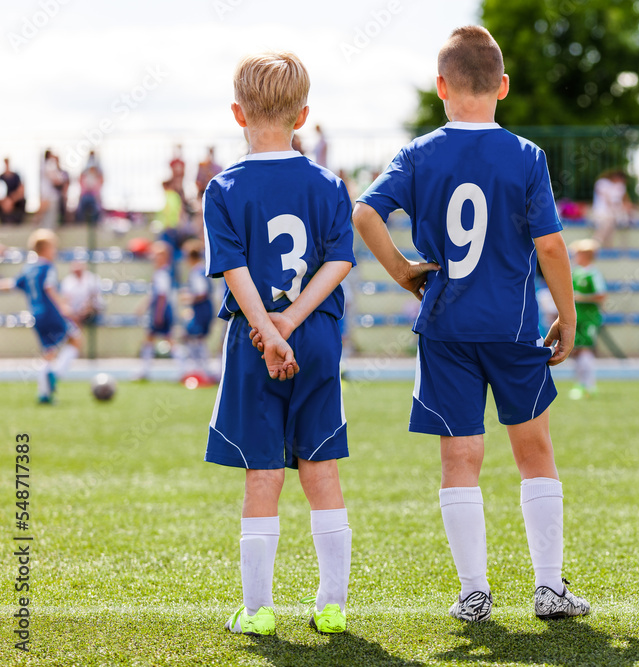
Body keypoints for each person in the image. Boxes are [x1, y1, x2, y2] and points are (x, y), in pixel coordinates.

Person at [353, 25, 590, 623]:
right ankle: (548, 589)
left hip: (446, 329)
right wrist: (567, 312)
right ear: (503, 86)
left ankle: (474, 593)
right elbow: (553, 249)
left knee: (460, 459)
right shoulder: (526, 156)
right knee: (534, 450)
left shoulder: (418, 153)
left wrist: (404, 269)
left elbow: (364, 213)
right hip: (513, 328)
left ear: (441, 87)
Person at [204, 51, 356, 637]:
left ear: (238, 113)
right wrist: (291, 323)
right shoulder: (329, 183)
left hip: (253, 336)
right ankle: (332, 604)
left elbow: (235, 270)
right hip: (313, 333)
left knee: (261, 470)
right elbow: (339, 259)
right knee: (322, 465)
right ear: (304, 114)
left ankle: (260, 609)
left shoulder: (223, 187)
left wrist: (268, 330)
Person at [0, 230, 81, 403]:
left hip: (36, 316)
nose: (55, 252)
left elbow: (11, 284)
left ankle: (44, 394)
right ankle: (56, 374)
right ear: (46, 248)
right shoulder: (47, 266)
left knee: (49, 351)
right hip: (51, 313)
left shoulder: (29, 268)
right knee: (75, 338)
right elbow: (49, 287)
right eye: (53, 248)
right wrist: (63, 307)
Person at [568, 238, 606, 400]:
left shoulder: (593, 273)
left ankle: (590, 385)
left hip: (589, 318)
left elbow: (601, 296)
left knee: (585, 349)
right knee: (575, 350)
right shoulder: (575, 272)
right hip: (575, 317)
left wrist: (580, 298)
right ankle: (580, 384)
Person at [136, 241, 175, 380]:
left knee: (161, 339)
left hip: (161, 310)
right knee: (154, 339)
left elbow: (162, 296)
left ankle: (144, 370)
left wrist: (158, 314)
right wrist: (143, 306)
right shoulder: (161, 272)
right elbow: (154, 295)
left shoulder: (162, 273)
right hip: (159, 309)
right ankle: (144, 370)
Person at [178, 239, 213, 379]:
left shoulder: (197, 271)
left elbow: (201, 293)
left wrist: (188, 298)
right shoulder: (202, 269)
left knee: (193, 338)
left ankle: (201, 371)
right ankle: (202, 371)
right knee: (196, 339)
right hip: (203, 309)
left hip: (201, 310)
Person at [591, 169, 631, 247]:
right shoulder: (602, 183)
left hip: (612, 215)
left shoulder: (620, 186)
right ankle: (595, 244)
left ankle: (604, 246)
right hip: (601, 213)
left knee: (611, 226)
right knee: (606, 225)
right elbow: (608, 200)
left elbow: (624, 200)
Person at [61, 260, 104, 326]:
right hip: (74, 314)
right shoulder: (67, 281)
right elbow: (65, 300)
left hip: (91, 312)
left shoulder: (92, 278)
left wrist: (86, 310)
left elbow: (95, 299)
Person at [77, 152, 104, 225]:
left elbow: (101, 182)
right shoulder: (85, 172)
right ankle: (82, 223)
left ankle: (95, 223)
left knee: (96, 209)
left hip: (94, 195)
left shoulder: (98, 172)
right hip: (86, 195)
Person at [1, 158, 27, 224]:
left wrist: (11, 200)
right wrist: (4, 202)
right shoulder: (1, 177)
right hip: (3, 202)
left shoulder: (16, 176)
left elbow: (21, 191)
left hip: (14, 201)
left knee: (22, 201)